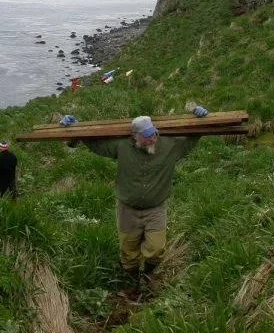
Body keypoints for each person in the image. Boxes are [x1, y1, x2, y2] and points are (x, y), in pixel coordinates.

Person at [83, 105, 209, 295]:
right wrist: (72, 129)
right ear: (134, 137)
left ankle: (148, 277)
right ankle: (133, 282)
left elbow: (192, 137)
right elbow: (96, 144)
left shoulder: (170, 145)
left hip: (155, 208)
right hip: (128, 209)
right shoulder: (121, 147)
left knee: (157, 248)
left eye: (154, 134)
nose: (153, 139)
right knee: (128, 250)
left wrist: (201, 118)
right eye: (147, 136)